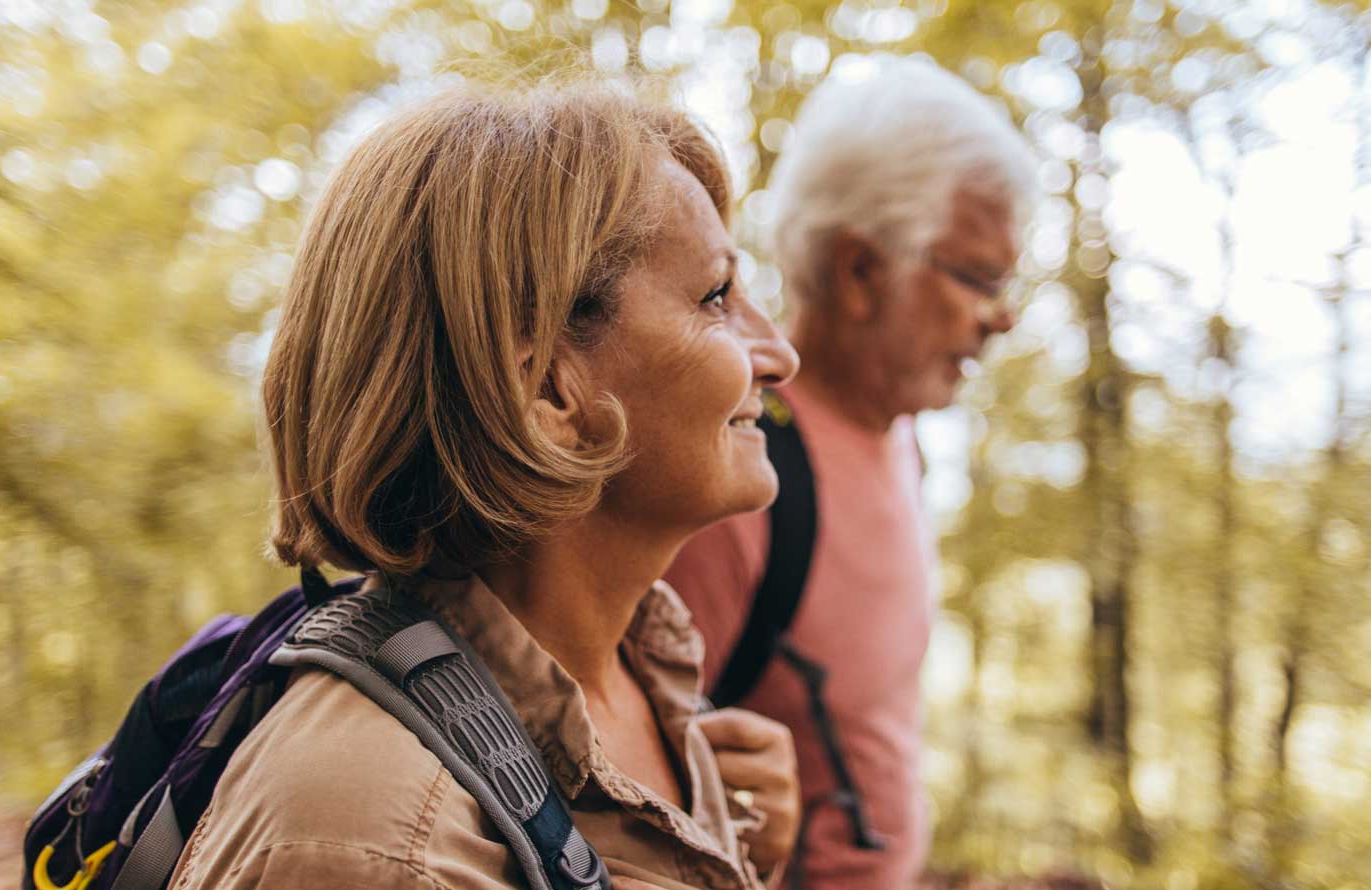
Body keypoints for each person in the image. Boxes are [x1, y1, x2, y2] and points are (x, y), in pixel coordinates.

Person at [168, 81, 802, 889]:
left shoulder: (641, 676)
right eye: (716, 297)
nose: (779, 354)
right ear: (545, 392)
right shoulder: (378, 838)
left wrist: (742, 861)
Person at [663, 57, 1037, 889]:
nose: (1001, 318)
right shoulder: (738, 479)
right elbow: (611, 791)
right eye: (980, 277)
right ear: (859, 270)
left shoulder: (902, 435)